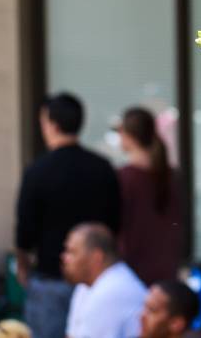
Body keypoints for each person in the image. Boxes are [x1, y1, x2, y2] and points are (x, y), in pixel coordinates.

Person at [15, 95, 122, 338]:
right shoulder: (102, 167)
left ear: (51, 124)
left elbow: (25, 229)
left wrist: (22, 265)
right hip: (96, 277)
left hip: (50, 278)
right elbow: (115, 223)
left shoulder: (37, 171)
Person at [113, 109, 182, 286]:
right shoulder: (170, 175)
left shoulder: (124, 178)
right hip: (167, 271)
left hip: (134, 273)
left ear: (127, 135)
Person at [60, 225, 144, 338]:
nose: (64, 258)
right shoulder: (85, 285)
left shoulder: (113, 291)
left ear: (96, 257)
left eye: (72, 252)